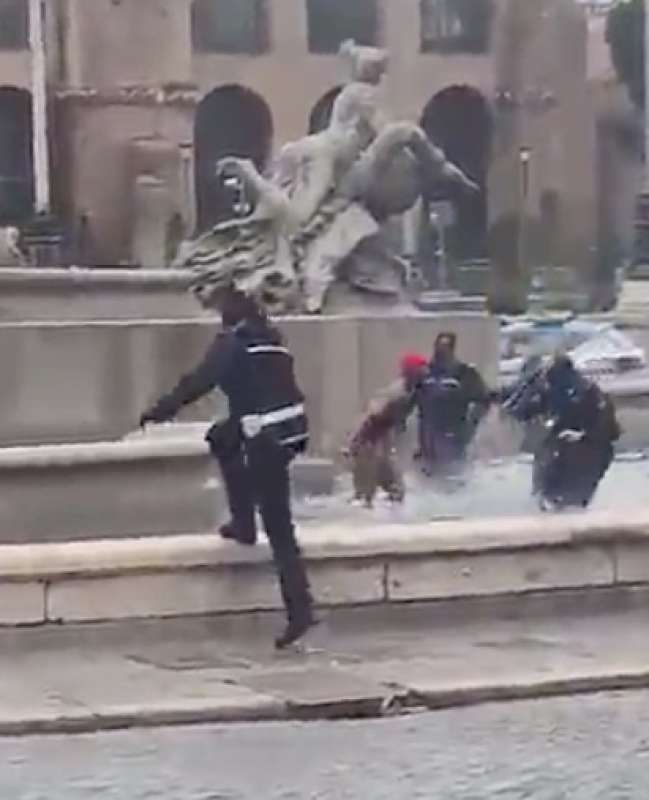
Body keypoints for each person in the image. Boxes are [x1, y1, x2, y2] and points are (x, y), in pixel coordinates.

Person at [139, 284, 315, 649]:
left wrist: (159, 411)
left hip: (265, 434)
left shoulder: (232, 343)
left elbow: (198, 382)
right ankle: (243, 523)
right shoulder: (271, 338)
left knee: (279, 526)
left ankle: (300, 611)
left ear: (227, 316)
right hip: (289, 428)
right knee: (222, 437)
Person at [511, 355, 620, 509]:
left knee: (558, 481)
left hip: (583, 449)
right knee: (564, 488)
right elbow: (524, 410)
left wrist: (583, 434)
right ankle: (559, 501)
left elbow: (522, 410)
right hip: (590, 449)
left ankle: (556, 501)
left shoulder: (573, 390)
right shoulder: (586, 389)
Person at [345, 353, 428, 507]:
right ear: (412, 371)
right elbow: (371, 415)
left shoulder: (413, 391)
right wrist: (353, 443)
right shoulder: (397, 392)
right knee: (366, 492)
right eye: (422, 369)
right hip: (368, 440)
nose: (426, 373)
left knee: (395, 488)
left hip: (381, 439)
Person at [415, 332, 491, 475]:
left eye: (445, 346)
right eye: (438, 346)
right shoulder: (426, 374)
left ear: (452, 349)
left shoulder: (465, 373)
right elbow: (413, 399)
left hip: (453, 435)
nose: (440, 350)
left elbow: (483, 400)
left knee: (451, 478)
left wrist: (471, 425)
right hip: (427, 438)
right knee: (428, 480)